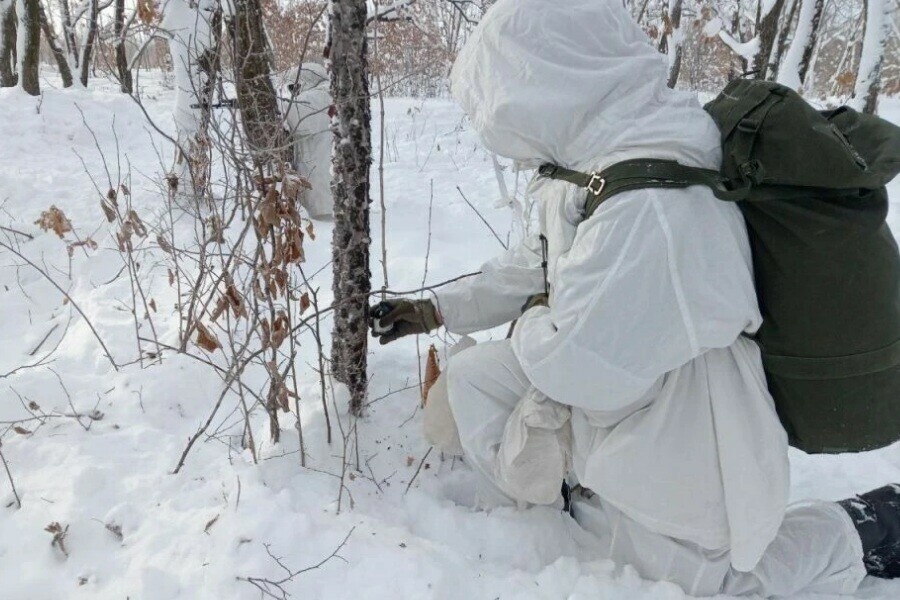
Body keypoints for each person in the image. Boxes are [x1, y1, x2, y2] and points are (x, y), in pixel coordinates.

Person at [370, 0, 900, 596]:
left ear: (546, 80)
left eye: (498, 88)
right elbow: (538, 264)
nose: (491, 113)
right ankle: (579, 501)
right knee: (473, 381)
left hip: (692, 420)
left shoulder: (650, 203)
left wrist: (536, 322)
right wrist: (441, 308)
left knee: (721, 584)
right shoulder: (603, 157)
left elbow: (578, 365)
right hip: (628, 390)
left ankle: (867, 526)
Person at [281, 63, 333, 220]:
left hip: (322, 198)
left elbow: (293, 114)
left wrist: (263, 102)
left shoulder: (320, 97)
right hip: (323, 192)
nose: (294, 92)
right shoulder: (326, 95)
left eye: (296, 86)